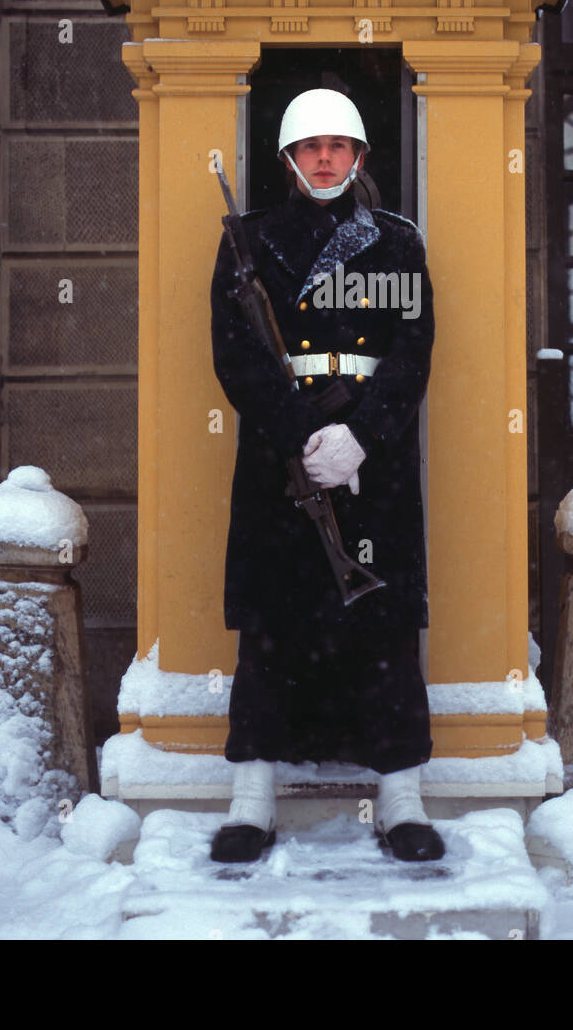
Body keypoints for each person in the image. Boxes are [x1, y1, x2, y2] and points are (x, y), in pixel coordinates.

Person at [208, 87, 444, 864]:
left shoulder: (398, 242)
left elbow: (413, 349)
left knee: (385, 626)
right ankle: (252, 796)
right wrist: (306, 433)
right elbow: (236, 355)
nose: (325, 157)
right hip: (284, 453)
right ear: (287, 159)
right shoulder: (248, 239)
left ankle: (401, 796)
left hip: (373, 455)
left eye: (339, 146)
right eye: (311, 147)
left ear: (360, 156)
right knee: (271, 625)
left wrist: (362, 434)